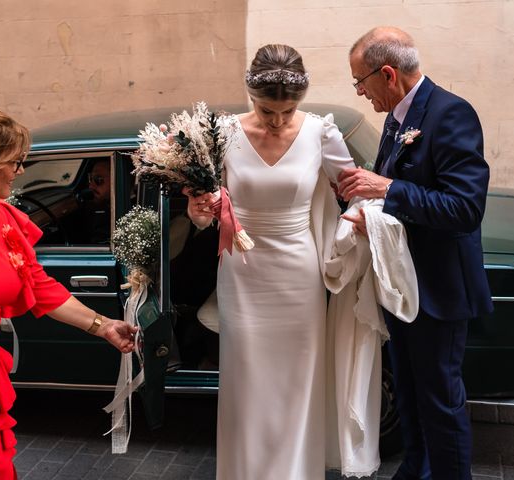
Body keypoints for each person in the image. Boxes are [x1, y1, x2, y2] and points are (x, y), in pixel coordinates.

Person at [184, 44, 360, 479]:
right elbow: (202, 208)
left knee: (297, 381)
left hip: (298, 273)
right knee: (247, 381)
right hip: (243, 273)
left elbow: (355, 191)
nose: (278, 121)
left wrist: (356, 222)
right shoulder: (222, 133)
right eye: (267, 111)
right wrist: (198, 212)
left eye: (287, 111)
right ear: (251, 96)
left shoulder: (322, 133)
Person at [0, 102, 137, 479]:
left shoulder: (4, 220)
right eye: (13, 161)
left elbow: (38, 284)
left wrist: (102, 325)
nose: (20, 171)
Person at [339, 27, 493, 479]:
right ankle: (415, 470)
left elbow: (465, 208)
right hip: (401, 286)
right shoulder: (395, 118)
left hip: (438, 289)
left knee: (441, 401)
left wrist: (386, 187)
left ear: (387, 74)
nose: (360, 92)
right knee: (408, 394)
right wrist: (359, 193)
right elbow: (395, 191)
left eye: (359, 82)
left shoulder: (451, 114)